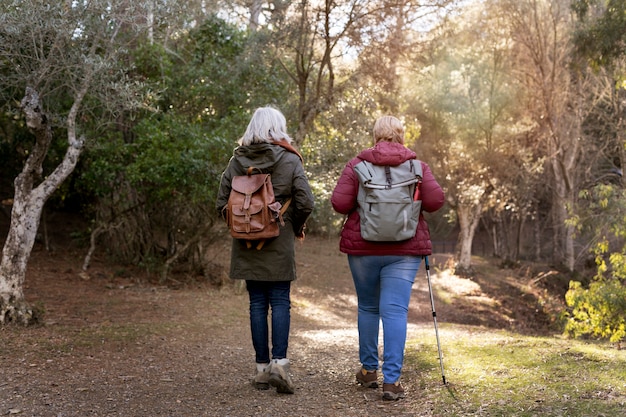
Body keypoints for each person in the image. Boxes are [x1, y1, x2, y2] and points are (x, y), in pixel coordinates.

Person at [331, 115, 444, 401]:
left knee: (369, 307)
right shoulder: (418, 167)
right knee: (394, 311)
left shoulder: (357, 165)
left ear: (376, 136)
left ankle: (369, 371)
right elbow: (435, 201)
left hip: (363, 249)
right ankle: (391, 382)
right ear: (401, 136)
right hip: (404, 251)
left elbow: (339, 203)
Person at [216, 106, 315, 394]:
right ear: (278, 128)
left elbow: (221, 201)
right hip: (279, 238)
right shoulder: (289, 158)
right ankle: (280, 365)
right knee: (280, 300)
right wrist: (293, 226)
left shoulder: (237, 160)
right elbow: (306, 200)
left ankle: (261, 370)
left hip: (245, 242)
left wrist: (242, 226)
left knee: (257, 303)